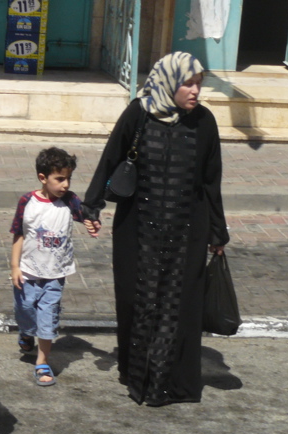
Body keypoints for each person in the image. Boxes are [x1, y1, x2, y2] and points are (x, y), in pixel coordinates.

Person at [81, 52, 230, 406]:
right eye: (188, 83)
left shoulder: (205, 122)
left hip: (186, 231)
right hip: (138, 230)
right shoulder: (138, 113)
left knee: (179, 305)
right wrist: (92, 205)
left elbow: (211, 182)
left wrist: (217, 233)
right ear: (169, 82)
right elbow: (111, 159)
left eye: (198, 83)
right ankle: (138, 374)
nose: (195, 91)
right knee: (138, 300)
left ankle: (170, 383)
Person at [10, 147, 87, 387]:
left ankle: (42, 361)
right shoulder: (27, 201)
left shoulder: (69, 201)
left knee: (48, 316)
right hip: (28, 271)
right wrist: (14, 266)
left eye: (68, 179)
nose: (65, 184)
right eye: (60, 179)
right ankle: (26, 332)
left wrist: (92, 223)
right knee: (25, 311)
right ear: (43, 178)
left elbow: (86, 215)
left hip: (55, 274)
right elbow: (18, 235)